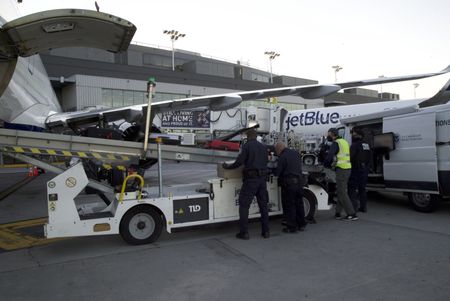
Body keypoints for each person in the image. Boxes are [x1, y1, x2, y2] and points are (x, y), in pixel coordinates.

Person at [222, 129, 270, 240]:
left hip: (251, 180)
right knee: (263, 206)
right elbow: (266, 161)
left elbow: (239, 162)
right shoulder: (263, 147)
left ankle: (244, 233)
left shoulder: (247, 146)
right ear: (256, 136)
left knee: (244, 205)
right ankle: (266, 231)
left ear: (248, 137)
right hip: (262, 180)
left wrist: (227, 167)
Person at [323, 128, 358, 221]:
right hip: (347, 168)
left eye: (328, 134)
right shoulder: (344, 142)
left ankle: (352, 214)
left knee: (342, 192)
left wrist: (325, 164)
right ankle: (338, 213)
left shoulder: (336, 143)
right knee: (340, 191)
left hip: (341, 169)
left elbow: (330, 155)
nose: (328, 136)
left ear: (332, 134)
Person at [274, 142, 307, 233]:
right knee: (299, 204)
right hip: (299, 183)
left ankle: (292, 227)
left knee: (289, 205)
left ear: (278, 149)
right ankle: (302, 224)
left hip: (289, 184)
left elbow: (278, 172)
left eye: (276, 151)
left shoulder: (282, 157)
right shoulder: (295, 153)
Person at [348, 128, 372, 213]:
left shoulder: (354, 145)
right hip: (365, 169)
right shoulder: (367, 144)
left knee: (352, 189)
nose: (352, 135)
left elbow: (350, 157)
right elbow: (370, 157)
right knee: (362, 188)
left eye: (354, 134)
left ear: (359, 135)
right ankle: (363, 207)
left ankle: (353, 209)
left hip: (356, 169)